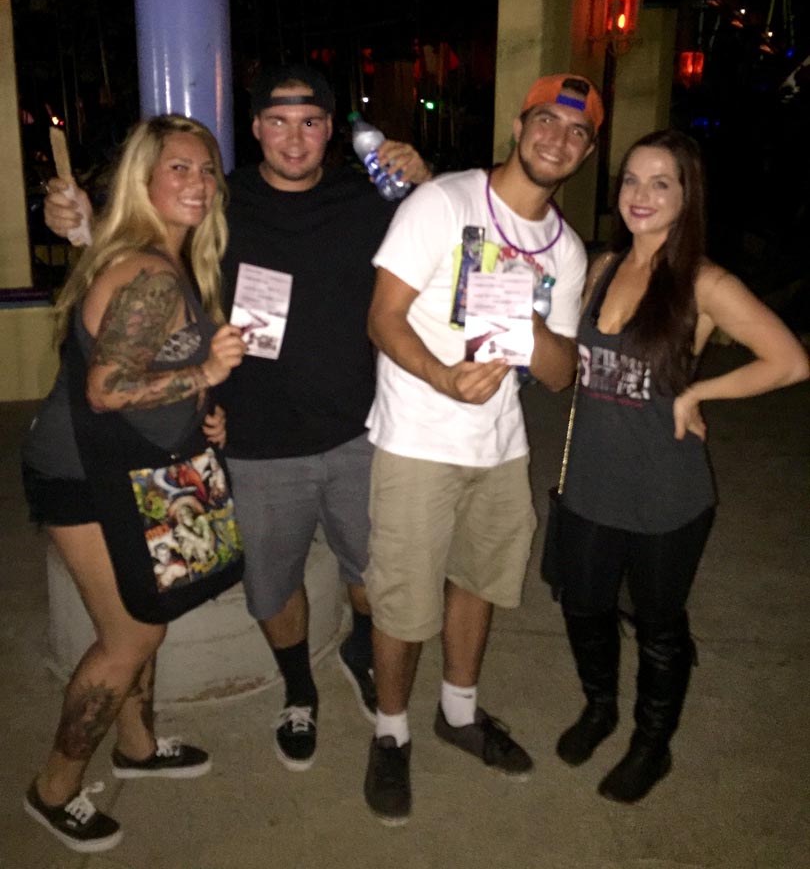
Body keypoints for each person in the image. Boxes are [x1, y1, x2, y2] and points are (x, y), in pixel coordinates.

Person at [43, 65, 432, 775]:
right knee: (272, 587)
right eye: (277, 121)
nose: (294, 137)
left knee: (375, 574)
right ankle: (298, 689)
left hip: (361, 433)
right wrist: (76, 222)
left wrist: (426, 179)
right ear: (255, 129)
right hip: (253, 444)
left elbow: (447, 243)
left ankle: (360, 650)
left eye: (310, 122)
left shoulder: (371, 198)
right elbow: (138, 237)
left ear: (332, 130)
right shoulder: (220, 204)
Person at [362, 73, 605, 824]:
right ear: (519, 125)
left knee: (478, 582)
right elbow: (383, 317)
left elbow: (559, 373)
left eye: (577, 132)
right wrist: (441, 375)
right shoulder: (443, 202)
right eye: (546, 121)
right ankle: (391, 732)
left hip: (501, 446)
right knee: (404, 601)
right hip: (417, 438)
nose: (558, 139)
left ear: (586, 152)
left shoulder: (566, 249)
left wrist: (527, 319)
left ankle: (459, 713)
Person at [552, 128, 809, 803]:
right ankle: (600, 707)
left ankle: (651, 744)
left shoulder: (705, 281)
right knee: (583, 603)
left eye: (660, 183)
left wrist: (698, 393)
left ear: (687, 195)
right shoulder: (602, 266)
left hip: (665, 490)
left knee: (659, 625)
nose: (641, 195)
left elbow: (789, 361)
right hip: (590, 479)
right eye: (631, 180)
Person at [22, 114, 247, 853]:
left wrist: (201, 406)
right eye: (178, 168)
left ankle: (137, 748)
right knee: (133, 633)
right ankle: (53, 789)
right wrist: (206, 371)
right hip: (81, 470)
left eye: (207, 169)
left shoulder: (162, 261)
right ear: (143, 181)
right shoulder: (148, 271)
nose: (199, 182)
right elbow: (108, 389)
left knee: (140, 612)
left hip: (118, 463)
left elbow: (151, 367)